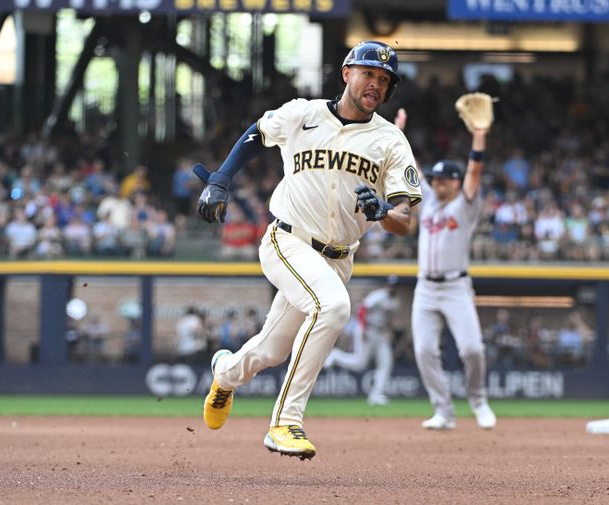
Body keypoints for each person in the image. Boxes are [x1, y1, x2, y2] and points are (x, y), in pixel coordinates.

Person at [196, 41, 420, 460]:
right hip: (288, 240)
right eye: (369, 73)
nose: (376, 83)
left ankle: (224, 374)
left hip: (337, 260)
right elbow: (255, 133)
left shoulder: (391, 141)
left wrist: (385, 212)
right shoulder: (303, 113)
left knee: (271, 350)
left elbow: (405, 221)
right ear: (346, 73)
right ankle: (285, 422)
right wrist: (221, 179)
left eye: (385, 79)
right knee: (333, 308)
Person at [408, 107, 497, 430]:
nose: (436, 182)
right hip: (425, 288)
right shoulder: (430, 202)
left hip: (456, 287)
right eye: (435, 178)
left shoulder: (465, 205)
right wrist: (399, 133)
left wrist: (478, 136)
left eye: (443, 179)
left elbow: (475, 172)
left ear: (456, 183)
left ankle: (478, 400)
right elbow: (412, 169)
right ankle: (443, 411)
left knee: (472, 348)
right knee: (423, 350)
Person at [325, 275, 400, 406]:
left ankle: (376, 395)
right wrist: (364, 329)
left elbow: (389, 319)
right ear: (387, 285)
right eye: (391, 285)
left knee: (386, 363)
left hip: (380, 334)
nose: (392, 287)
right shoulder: (378, 296)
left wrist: (389, 332)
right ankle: (336, 355)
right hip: (366, 330)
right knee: (359, 364)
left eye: (395, 286)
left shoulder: (395, 301)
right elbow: (362, 310)